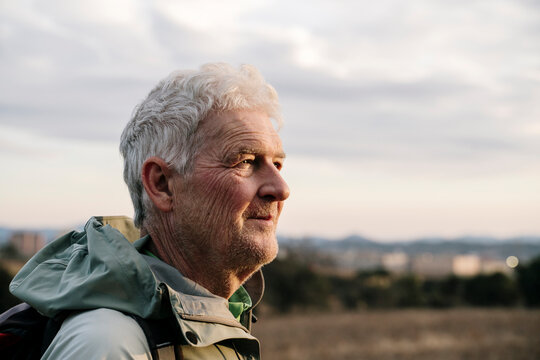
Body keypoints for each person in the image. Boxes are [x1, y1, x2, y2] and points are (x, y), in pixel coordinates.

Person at [9, 63, 290, 359]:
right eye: (245, 161)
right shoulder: (109, 345)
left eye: (278, 164)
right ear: (162, 184)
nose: (281, 188)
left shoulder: (218, 315)